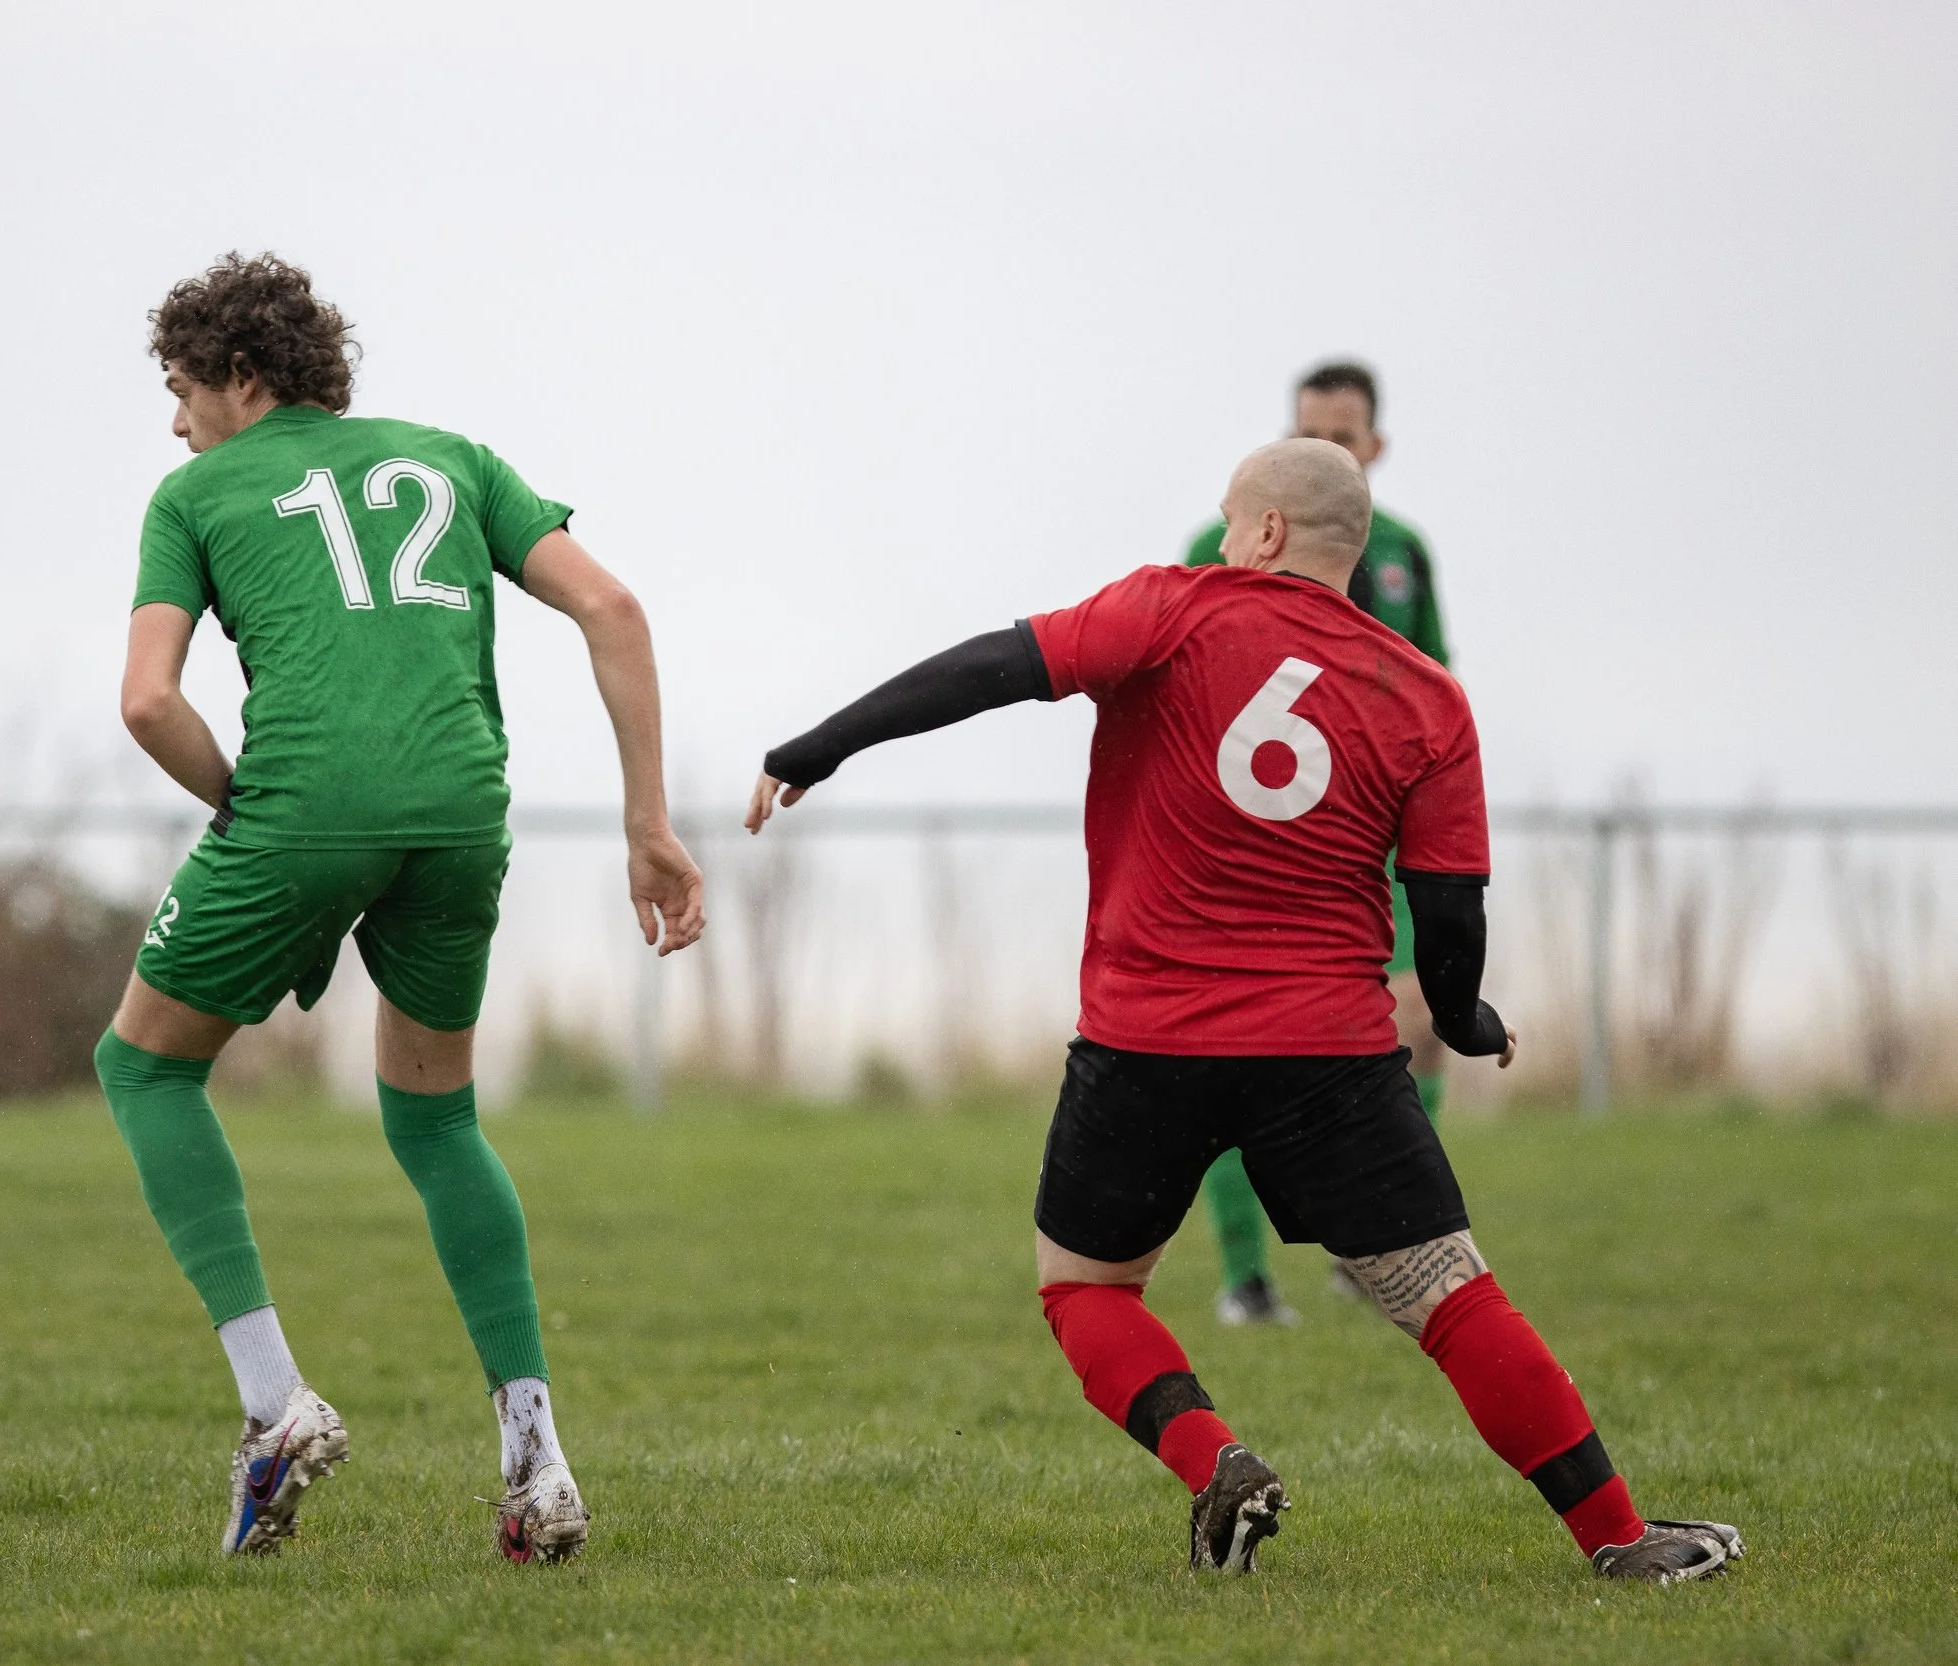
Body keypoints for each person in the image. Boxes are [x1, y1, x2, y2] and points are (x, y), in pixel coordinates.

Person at [744, 440, 1740, 1582]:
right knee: (1450, 1301)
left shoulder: (1170, 609)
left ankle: (1215, 1457)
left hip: (1143, 1041)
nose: (1222, 539)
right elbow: (1449, 918)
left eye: (1229, 520)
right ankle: (1618, 1536)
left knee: (1084, 1290)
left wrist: (820, 746)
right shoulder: (1424, 694)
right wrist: (1462, 1019)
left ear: (1265, 532)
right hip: (1329, 1055)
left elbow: (992, 667)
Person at [97, 254, 704, 1562]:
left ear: (243, 380)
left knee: (142, 1067)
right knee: (436, 1118)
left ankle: (275, 1404)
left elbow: (148, 699)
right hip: (457, 812)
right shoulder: (454, 458)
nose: (176, 420)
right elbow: (615, 607)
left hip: (304, 804)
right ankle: (536, 1461)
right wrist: (646, 823)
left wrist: (232, 802)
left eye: (182, 387)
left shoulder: (194, 492)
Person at [1184, 362, 1451, 1325]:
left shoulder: (1404, 554)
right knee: (1217, 1056)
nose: (1329, 449)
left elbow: (1435, 694)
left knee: (1416, 1033)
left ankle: (1375, 1250)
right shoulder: (1214, 550)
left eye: (1345, 435)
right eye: (1310, 432)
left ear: (1375, 447)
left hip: (1378, 845)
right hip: (1256, 851)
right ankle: (1247, 1279)